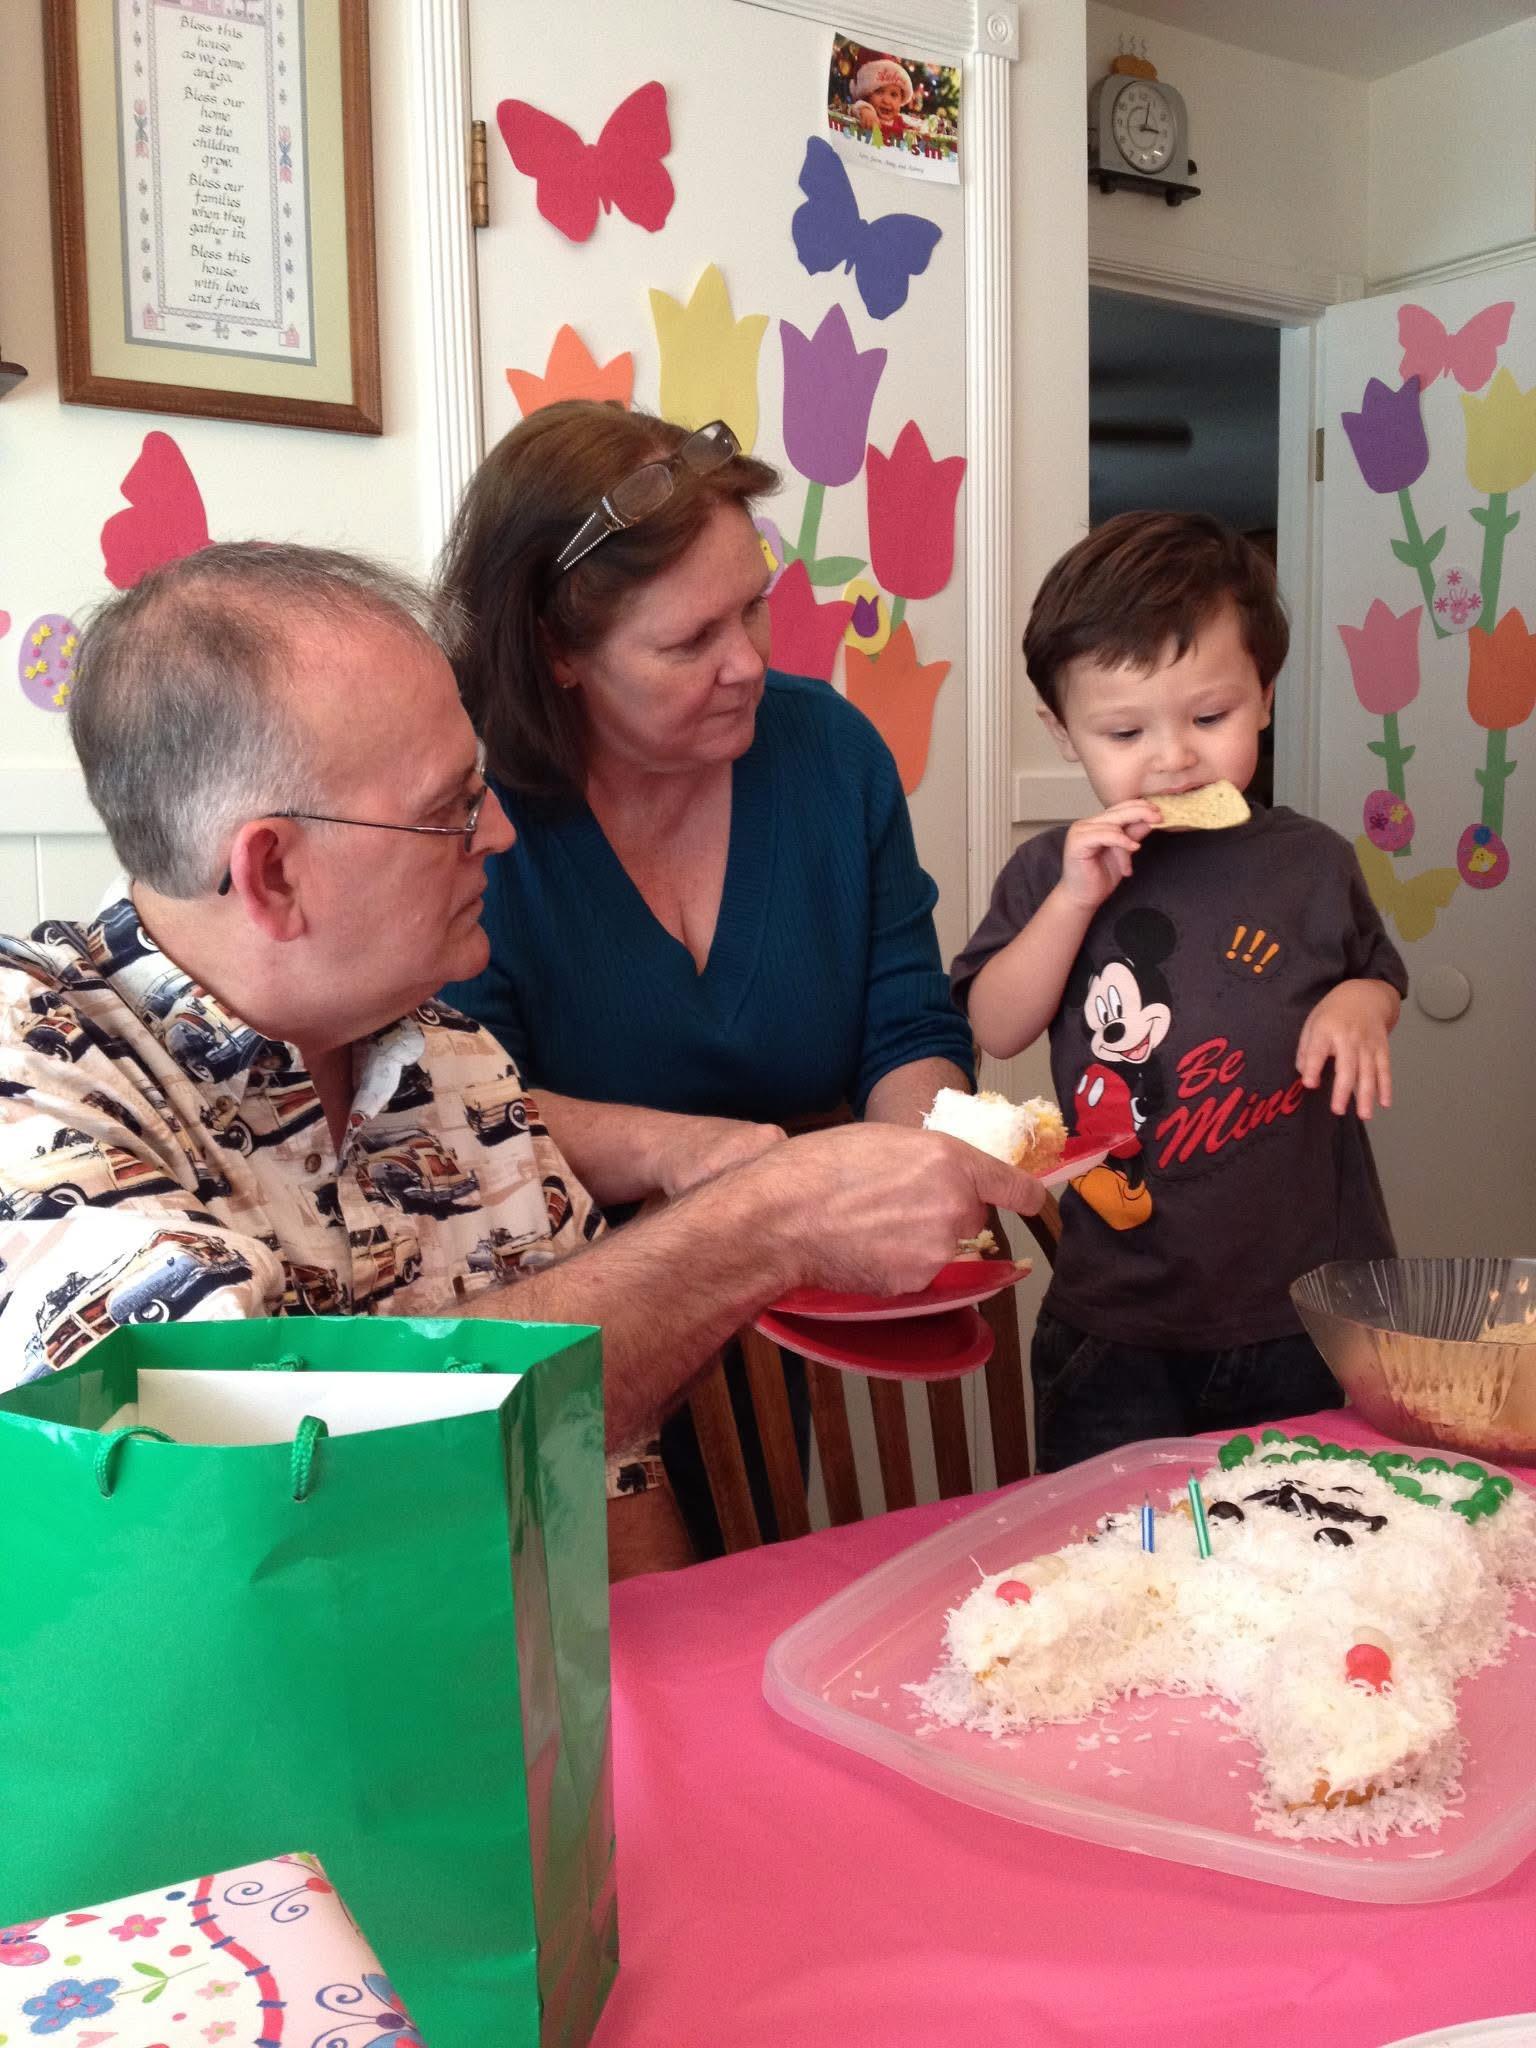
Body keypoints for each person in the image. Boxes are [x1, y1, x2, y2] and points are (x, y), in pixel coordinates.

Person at [0, 544, 1040, 1464]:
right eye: (451, 807)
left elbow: (596, 1463)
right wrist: (765, 1222)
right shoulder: (30, 1066)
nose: (499, 831)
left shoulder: (454, 1059)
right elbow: (240, 1448)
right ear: (271, 873)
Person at [435, 401, 976, 1547]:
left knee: (754, 1597)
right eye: (690, 642)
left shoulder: (828, 751)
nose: (751, 662)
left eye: (754, 608)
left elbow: (906, 1019)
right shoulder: (469, 812)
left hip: (792, 1324)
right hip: (553, 1326)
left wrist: (924, 1152)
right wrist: (689, 1153)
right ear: (557, 652)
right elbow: (449, 1101)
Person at [950, 511, 1407, 1472]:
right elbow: (996, 1021)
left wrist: (1362, 1003)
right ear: (1063, 732)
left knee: (1313, 1551)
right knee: (1114, 1567)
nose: (1172, 757)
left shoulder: (1312, 865)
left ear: (1265, 699)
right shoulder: (1052, 871)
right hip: (1120, 1324)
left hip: (1311, 1313)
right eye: (1124, 729)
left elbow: (1375, 971)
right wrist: (1076, 900)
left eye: (1210, 717)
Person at [850, 54, 927, 148]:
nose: (886, 101)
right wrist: (866, 112)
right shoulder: (867, 110)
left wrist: (914, 130)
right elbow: (855, 107)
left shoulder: (901, 120)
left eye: (894, 95)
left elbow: (919, 126)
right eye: (879, 92)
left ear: (901, 100)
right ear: (868, 95)